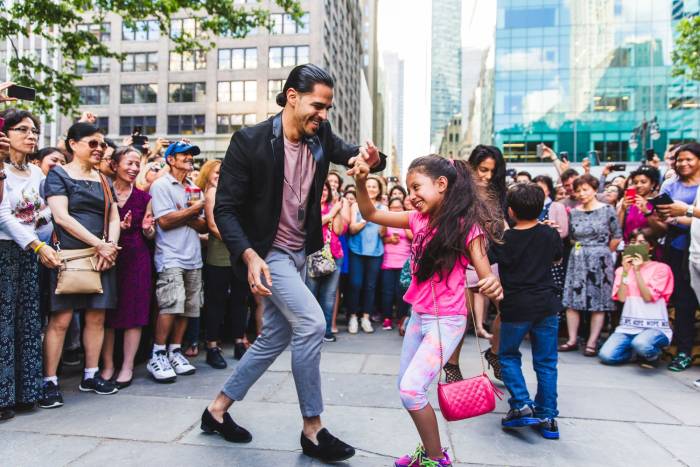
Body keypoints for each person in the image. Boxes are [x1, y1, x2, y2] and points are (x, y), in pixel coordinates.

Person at [201, 64, 385, 462]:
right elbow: (225, 210)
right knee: (313, 323)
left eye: (327, 107)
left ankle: (216, 410)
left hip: (299, 252)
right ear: (291, 96)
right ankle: (312, 429)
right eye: (318, 105)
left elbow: (357, 155)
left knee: (273, 337)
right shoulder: (249, 141)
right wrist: (249, 254)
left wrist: (372, 158)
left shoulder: (321, 136)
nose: (323, 114)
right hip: (267, 253)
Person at [353, 155, 502, 466]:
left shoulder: (467, 227)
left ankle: (436, 459)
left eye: (417, 187)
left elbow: (486, 274)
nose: (411, 195)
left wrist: (492, 284)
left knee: (411, 390)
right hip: (419, 316)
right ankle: (430, 451)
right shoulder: (416, 219)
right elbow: (369, 212)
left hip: (447, 321)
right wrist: (360, 180)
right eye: (409, 189)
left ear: (441, 184)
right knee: (407, 388)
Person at [41, 122, 121, 408]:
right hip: (70, 255)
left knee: (97, 317)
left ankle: (91, 375)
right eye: (92, 143)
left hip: (102, 256)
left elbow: (114, 216)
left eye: (102, 144)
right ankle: (50, 381)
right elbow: (61, 217)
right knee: (61, 319)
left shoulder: (104, 178)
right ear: (73, 144)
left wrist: (110, 247)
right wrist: (99, 245)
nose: (99, 149)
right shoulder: (58, 174)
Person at [0, 110, 61, 420]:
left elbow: (46, 210)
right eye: (22, 129)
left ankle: (25, 393)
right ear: (5, 134)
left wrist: (39, 230)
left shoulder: (36, 172)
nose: (31, 135)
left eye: (34, 130)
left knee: (28, 322)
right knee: (3, 324)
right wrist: (36, 243)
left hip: (30, 253)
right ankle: (2, 397)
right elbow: (2, 215)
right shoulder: (2, 170)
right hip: (5, 251)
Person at [492, 182, 562, 439]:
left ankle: (521, 403)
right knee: (546, 362)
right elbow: (557, 258)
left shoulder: (504, 239)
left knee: (508, 355)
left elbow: (485, 260)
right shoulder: (549, 233)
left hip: (516, 307)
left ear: (510, 211)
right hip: (546, 306)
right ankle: (548, 416)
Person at [147, 141, 206, 383]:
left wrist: (184, 213)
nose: (189, 158)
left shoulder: (194, 188)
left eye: (191, 155)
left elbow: (205, 225)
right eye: (184, 155)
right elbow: (165, 221)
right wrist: (194, 211)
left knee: (189, 307)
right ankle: (158, 354)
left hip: (194, 257)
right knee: (171, 305)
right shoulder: (161, 185)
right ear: (171, 159)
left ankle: (175, 350)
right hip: (170, 255)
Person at [446, 145, 506, 383]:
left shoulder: (499, 195)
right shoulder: (458, 192)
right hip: (461, 260)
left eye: (492, 171)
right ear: (472, 167)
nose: (487, 176)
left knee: (507, 310)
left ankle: (495, 353)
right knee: (462, 316)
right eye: (482, 169)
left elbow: (509, 227)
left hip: (492, 261)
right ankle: (452, 366)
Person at [100, 146, 155, 388]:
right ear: (114, 165)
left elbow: (150, 233)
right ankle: (107, 365)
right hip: (108, 257)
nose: (134, 168)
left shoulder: (144, 197)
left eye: (137, 164)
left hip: (136, 259)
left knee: (134, 313)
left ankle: (127, 366)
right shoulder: (103, 191)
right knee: (106, 313)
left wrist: (148, 229)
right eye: (129, 163)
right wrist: (115, 228)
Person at [559, 174, 622, 356]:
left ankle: (592, 342)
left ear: (595, 190)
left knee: (598, 301)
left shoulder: (607, 210)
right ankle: (572, 339)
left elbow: (617, 235)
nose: (581, 193)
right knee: (572, 299)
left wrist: (603, 252)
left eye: (585, 189)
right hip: (578, 257)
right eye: (578, 190)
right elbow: (572, 237)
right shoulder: (574, 212)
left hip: (600, 258)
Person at [654, 142, 700, 372]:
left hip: (697, 244)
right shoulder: (671, 184)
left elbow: (684, 216)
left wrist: (684, 215)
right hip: (679, 249)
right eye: (679, 159)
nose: (682, 163)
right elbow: (663, 217)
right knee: (683, 302)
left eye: (688, 159)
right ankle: (683, 351)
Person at [599, 229, 674, 368]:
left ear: (651, 246)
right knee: (606, 356)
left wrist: (638, 271)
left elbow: (648, 297)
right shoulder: (622, 270)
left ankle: (653, 355)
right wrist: (626, 271)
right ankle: (635, 353)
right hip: (628, 327)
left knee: (641, 343)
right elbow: (622, 298)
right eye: (633, 242)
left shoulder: (662, 268)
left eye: (641, 242)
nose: (636, 245)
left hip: (654, 328)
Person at [198, 159, 247, 367]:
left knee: (240, 301)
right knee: (216, 302)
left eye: (223, 171)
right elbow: (212, 226)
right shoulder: (212, 193)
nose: (220, 175)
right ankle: (212, 346)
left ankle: (239, 342)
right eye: (216, 172)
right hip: (219, 256)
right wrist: (239, 242)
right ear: (208, 174)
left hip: (240, 256)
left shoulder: (235, 192)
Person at [305, 181, 348, 342]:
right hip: (312, 256)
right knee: (310, 294)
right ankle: (310, 331)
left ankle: (326, 331)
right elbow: (309, 227)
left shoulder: (333, 207)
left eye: (325, 189)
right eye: (319, 189)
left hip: (334, 255)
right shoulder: (308, 207)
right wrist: (331, 214)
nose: (322, 192)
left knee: (329, 296)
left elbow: (339, 230)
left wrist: (337, 210)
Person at [346, 175, 385, 334]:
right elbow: (352, 229)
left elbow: (383, 233)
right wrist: (367, 218)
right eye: (368, 186)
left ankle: (366, 318)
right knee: (355, 284)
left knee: (370, 286)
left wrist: (383, 222)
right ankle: (353, 317)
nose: (371, 189)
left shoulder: (384, 208)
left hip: (375, 252)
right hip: (357, 250)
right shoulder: (356, 206)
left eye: (374, 186)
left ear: (379, 190)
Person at [379, 196, 413, 331]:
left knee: (402, 292)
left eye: (398, 207)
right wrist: (390, 239)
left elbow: (411, 236)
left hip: (404, 263)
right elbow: (381, 237)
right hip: (388, 262)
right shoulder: (386, 221)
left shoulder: (407, 220)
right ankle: (387, 318)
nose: (396, 210)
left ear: (403, 208)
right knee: (387, 292)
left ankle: (401, 318)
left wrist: (403, 224)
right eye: (393, 207)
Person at [617, 166, 660, 243]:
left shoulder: (658, 203)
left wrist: (647, 212)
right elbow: (617, 230)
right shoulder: (628, 203)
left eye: (643, 182)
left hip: (650, 247)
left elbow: (661, 231)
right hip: (628, 247)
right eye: (635, 182)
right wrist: (622, 209)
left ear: (652, 184)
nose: (638, 185)